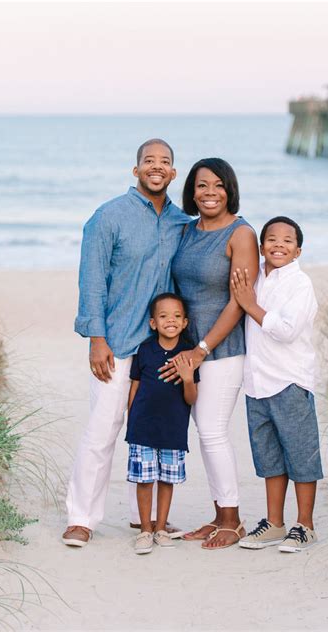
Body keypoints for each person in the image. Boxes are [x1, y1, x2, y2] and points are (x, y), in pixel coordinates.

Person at [62, 139, 190, 547]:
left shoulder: (181, 223)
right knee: (102, 431)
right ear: (136, 171)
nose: (157, 167)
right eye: (149, 161)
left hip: (160, 348)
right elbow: (92, 280)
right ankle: (81, 518)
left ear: (173, 173)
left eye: (165, 162)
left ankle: (147, 520)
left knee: (153, 433)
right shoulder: (108, 217)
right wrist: (96, 338)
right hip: (116, 343)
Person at [166, 157, 259, 549]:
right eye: (202, 185)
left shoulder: (241, 234)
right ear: (192, 191)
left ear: (229, 189)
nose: (209, 193)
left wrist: (204, 348)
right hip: (189, 351)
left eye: (218, 185)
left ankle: (233, 519)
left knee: (213, 431)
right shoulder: (187, 231)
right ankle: (220, 514)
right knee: (205, 434)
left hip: (222, 350)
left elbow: (239, 302)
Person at [231, 216, 323, 552]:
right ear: (261, 246)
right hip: (256, 382)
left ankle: (305, 525)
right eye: (271, 239)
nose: (278, 245)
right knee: (269, 457)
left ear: (298, 251)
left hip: (289, 380)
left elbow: (286, 330)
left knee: (300, 456)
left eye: (287, 240)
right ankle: (274, 523)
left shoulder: (300, 284)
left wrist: (250, 306)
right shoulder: (255, 276)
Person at [125, 293, 199, 554]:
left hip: (173, 429)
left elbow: (191, 399)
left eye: (177, 316)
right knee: (144, 480)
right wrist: (130, 418)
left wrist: (188, 378)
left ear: (185, 322)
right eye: (164, 316)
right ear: (153, 323)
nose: (171, 321)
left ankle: (160, 528)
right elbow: (135, 385)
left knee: (166, 480)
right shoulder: (145, 350)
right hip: (142, 427)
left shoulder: (188, 354)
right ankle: (145, 529)